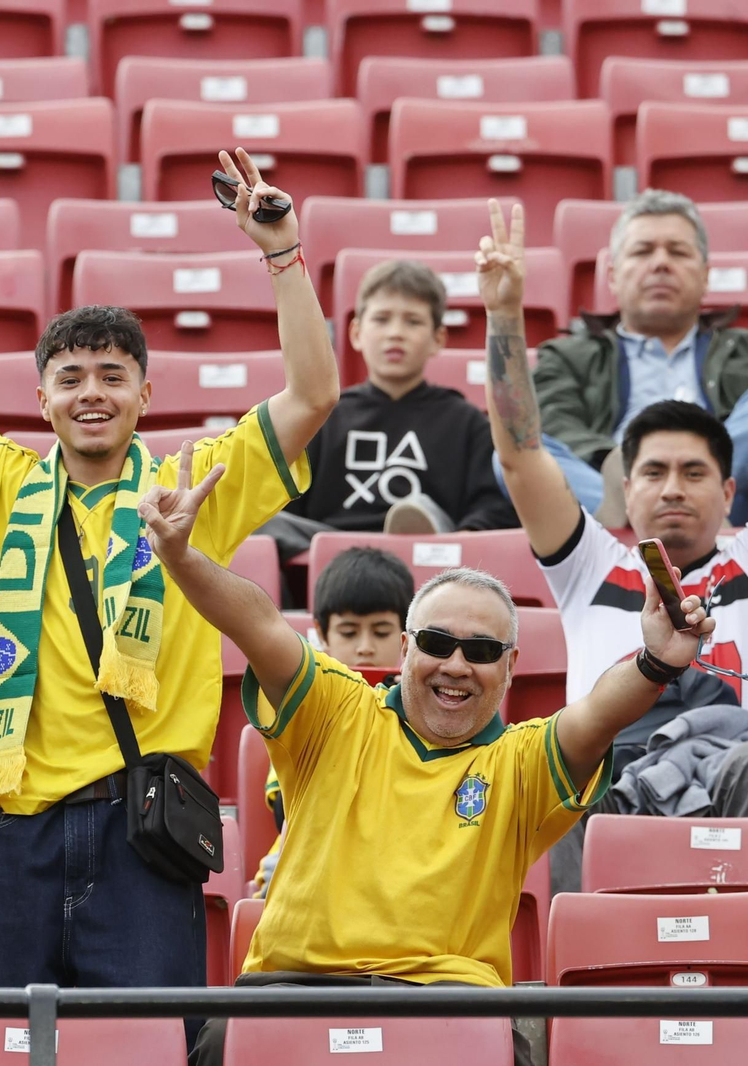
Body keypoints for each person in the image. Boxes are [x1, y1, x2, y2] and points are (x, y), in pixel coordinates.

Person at [0, 121, 337, 1021]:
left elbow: (313, 396)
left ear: (145, 396)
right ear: (41, 397)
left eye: (113, 376)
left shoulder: (194, 484)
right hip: (11, 827)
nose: (91, 393)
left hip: (142, 828)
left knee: (144, 1049)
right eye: (71, 377)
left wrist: (283, 255)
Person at [132, 448, 712, 1066]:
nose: (456, 665)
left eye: (481, 651)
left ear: (511, 667)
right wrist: (183, 558)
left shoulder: (521, 762)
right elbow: (260, 624)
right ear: (406, 649)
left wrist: (656, 663)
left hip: (453, 1007)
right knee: (221, 1041)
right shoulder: (335, 710)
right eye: (437, 643)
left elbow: (597, 714)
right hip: (294, 991)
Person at [483, 202, 748, 883]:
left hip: (735, 767)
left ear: (729, 492)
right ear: (624, 490)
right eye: (653, 473)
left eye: (694, 474)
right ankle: (570, 953)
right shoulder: (591, 564)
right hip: (607, 779)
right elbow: (519, 456)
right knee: (550, 776)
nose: (673, 489)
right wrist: (505, 315)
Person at [509, 189, 748, 528]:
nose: (661, 263)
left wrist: (708, 467)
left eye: (678, 252)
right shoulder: (567, 357)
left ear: (706, 275)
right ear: (613, 276)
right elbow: (554, 424)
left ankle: (706, 492)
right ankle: (626, 503)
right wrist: (625, 465)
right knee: (515, 447)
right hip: (607, 503)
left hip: (731, 502)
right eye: (643, 251)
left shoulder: (742, 351)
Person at [264, 260, 516, 557]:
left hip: (428, 554)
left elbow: (493, 506)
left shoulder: (466, 422)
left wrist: (465, 536)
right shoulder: (323, 416)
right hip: (339, 553)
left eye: (413, 322)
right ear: (356, 333)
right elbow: (288, 501)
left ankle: (420, 532)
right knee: (259, 522)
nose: (396, 333)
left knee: (423, 513)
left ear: (438, 339)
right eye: (382, 319)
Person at [251, 548, 415, 897]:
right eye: (349, 632)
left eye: (381, 632)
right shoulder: (301, 705)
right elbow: (285, 811)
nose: (365, 648)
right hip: (304, 866)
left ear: (406, 637)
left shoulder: (421, 709)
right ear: (321, 634)